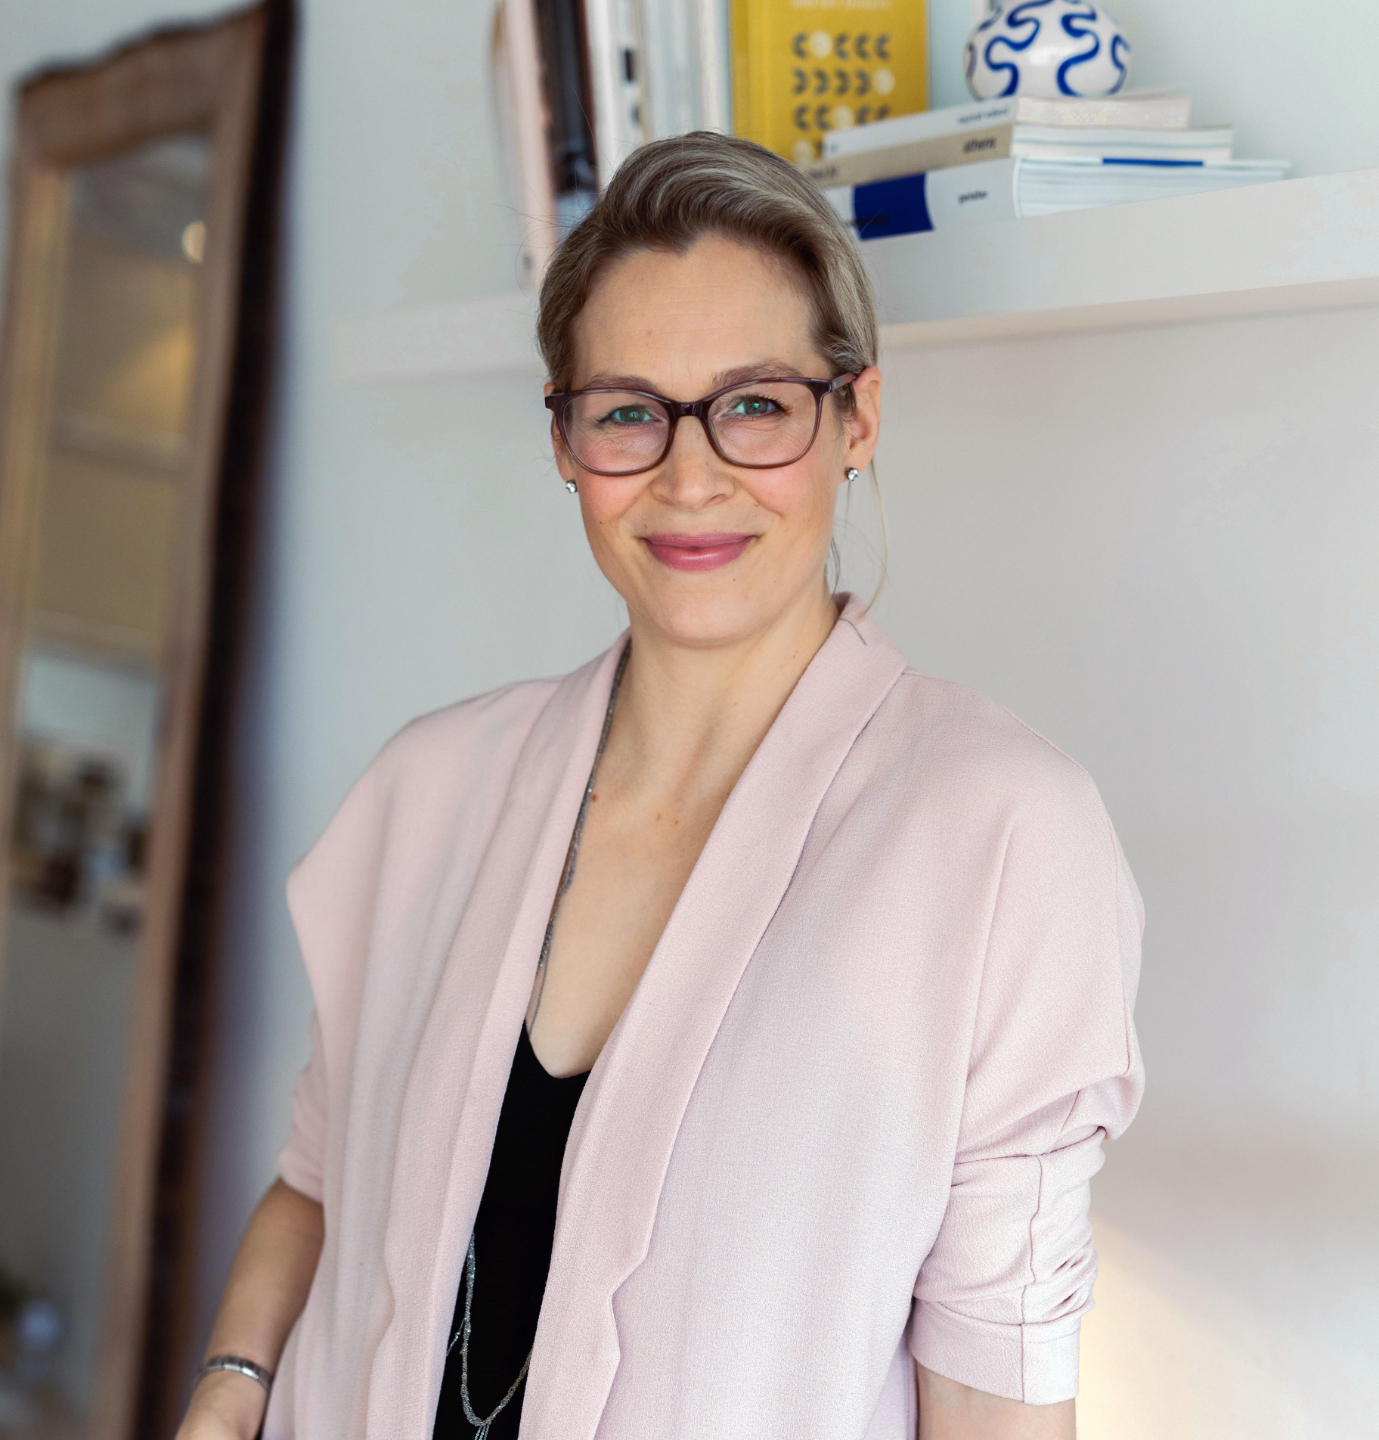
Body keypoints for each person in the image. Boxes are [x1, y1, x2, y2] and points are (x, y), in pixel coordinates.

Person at [177, 132, 1143, 1440]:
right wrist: (227, 1390)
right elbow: (315, 1184)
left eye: (756, 405)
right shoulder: (429, 788)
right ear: (566, 443)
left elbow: (995, 1384)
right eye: (629, 411)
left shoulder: (1000, 834)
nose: (691, 478)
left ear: (856, 419)